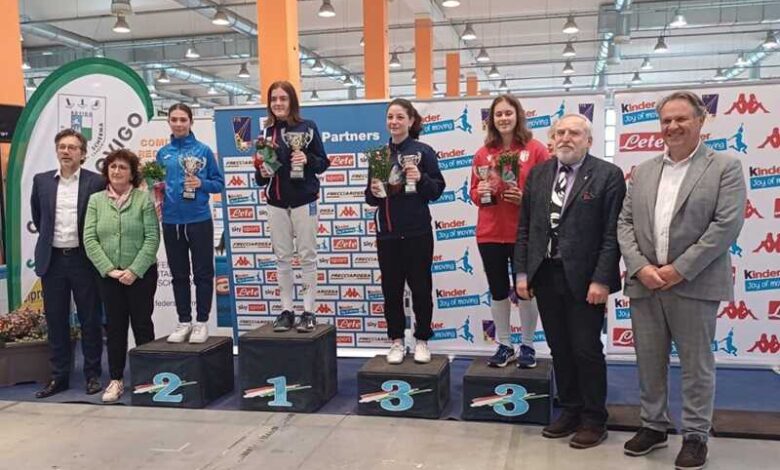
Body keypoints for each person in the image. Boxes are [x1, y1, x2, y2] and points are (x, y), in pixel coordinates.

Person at [617, 91, 746, 470]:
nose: (672, 126)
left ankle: (695, 435)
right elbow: (625, 223)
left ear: (700, 121)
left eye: (681, 119)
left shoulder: (725, 167)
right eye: (666, 121)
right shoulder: (642, 171)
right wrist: (641, 268)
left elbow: (726, 225)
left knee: (696, 365)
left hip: (694, 283)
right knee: (648, 361)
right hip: (645, 283)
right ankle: (653, 425)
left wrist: (678, 270)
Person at [515, 114, 625, 449]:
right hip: (545, 274)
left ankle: (594, 419)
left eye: (574, 133)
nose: (566, 138)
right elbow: (525, 228)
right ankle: (571, 409)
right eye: (560, 132)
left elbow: (612, 235)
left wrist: (602, 279)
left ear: (588, 141)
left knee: (586, 349)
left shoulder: (608, 175)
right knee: (559, 348)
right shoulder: (538, 174)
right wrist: (522, 273)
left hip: (585, 279)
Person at [469, 94, 549, 368]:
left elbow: (548, 192)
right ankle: (505, 345)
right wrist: (481, 191)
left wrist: (525, 198)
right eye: (499, 114)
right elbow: (473, 193)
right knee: (498, 290)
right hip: (490, 234)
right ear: (491, 119)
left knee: (525, 290)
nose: (503, 118)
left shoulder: (536, 150)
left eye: (508, 113)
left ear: (518, 116)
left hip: (523, 234)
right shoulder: (482, 153)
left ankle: (527, 345)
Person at [365, 98, 446, 364]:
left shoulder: (424, 151)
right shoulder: (379, 155)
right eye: (390, 117)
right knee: (391, 290)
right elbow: (371, 198)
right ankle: (397, 341)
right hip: (387, 234)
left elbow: (436, 190)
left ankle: (422, 340)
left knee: (421, 289)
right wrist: (374, 192)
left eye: (400, 117)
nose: (394, 122)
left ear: (411, 121)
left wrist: (420, 178)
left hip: (417, 232)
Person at [30, 128, 105, 398]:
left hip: (84, 260)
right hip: (52, 261)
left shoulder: (96, 182)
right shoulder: (42, 181)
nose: (66, 151)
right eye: (62, 146)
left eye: (72, 147)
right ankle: (59, 376)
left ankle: (92, 375)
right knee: (56, 320)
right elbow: (39, 218)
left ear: (82, 154)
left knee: (90, 319)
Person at [83, 149, 160, 403]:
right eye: (113, 166)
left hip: (141, 275)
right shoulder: (95, 200)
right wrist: (109, 269)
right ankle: (116, 380)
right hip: (109, 276)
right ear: (107, 171)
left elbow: (152, 238)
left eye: (123, 167)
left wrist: (134, 270)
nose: (117, 171)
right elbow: (89, 239)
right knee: (115, 328)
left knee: (142, 325)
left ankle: (149, 379)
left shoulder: (143, 199)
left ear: (132, 173)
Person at [254, 81, 330, 332]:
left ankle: (309, 311)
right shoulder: (266, 132)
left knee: (307, 256)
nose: (278, 103)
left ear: (292, 101)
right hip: (276, 203)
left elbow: (323, 163)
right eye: (273, 99)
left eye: (283, 98)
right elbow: (261, 178)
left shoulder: (308, 127)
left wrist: (307, 158)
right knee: (282, 258)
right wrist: (262, 170)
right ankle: (286, 311)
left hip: (304, 200)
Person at [157, 103, 224, 343]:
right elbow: (157, 184)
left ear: (191, 122)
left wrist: (201, 184)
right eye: (174, 119)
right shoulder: (163, 153)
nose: (178, 124)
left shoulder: (203, 151)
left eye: (183, 119)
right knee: (179, 275)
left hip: (199, 220)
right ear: (169, 122)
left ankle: (201, 322)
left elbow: (218, 183)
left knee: (203, 273)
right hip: (171, 221)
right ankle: (184, 321)